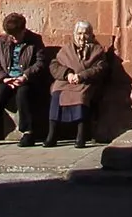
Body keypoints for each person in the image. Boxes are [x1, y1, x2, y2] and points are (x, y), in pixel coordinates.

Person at [0, 12, 47, 146]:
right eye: (11, 36)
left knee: (23, 94)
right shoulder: (2, 41)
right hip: (7, 79)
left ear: (23, 30)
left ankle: (28, 132)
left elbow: (40, 62)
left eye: (16, 35)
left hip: (26, 80)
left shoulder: (34, 40)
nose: (13, 39)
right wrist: (4, 78)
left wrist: (25, 76)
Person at [45, 19, 110, 149]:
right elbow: (55, 64)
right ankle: (52, 135)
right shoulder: (67, 49)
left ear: (91, 35)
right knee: (57, 93)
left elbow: (100, 68)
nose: (82, 37)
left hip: (84, 82)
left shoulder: (97, 50)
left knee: (81, 96)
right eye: (79, 33)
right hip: (66, 81)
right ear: (74, 34)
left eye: (85, 33)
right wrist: (67, 74)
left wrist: (81, 76)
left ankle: (81, 136)